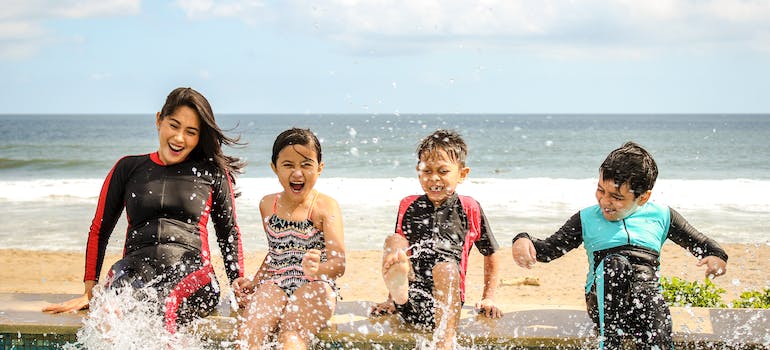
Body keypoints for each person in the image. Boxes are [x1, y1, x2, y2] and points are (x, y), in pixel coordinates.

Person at [43, 87, 246, 334]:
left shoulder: (211, 174)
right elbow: (100, 229)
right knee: (110, 310)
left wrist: (237, 284)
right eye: (174, 125)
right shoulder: (128, 168)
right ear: (159, 119)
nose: (179, 138)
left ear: (198, 137)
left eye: (190, 132)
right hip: (133, 268)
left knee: (164, 309)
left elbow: (228, 234)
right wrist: (90, 289)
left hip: (193, 272)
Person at [511, 141, 729, 349]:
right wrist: (522, 239)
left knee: (652, 304)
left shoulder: (661, 215)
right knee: (616, 264)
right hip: (604, 304)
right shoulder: (587, 218)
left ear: (643, 198)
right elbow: (549, 250)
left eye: (616, 197)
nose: (605, 201)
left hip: (645, 302)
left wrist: (717, 257)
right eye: (600, 190)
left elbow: (702, 243)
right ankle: (610, 343)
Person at [370, 129, 502, 350]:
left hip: (447, 308)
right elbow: (399, 260)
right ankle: (397, 294)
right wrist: (391, 300)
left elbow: (491, 252)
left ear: (462, 174)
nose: (433, 178)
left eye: (443, 171)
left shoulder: (469, 208)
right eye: (427, 170)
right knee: (394, 241)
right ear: (418, 171)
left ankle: (445, 342)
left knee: (446, 269)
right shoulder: (408, 205)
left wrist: (488, 297)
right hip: (410, 301)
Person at [232, 128, 346, 350]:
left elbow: (339, 264)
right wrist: (255, 283)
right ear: (274, 168)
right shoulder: (267, 205)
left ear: (319, 168)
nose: (297, 173)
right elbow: (276, 253)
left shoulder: (325, 207)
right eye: (288, 165)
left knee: (291, 337)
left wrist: (318, 269)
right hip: (276, 283)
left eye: (306, 165)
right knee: (248, 333)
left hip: (316, 286)